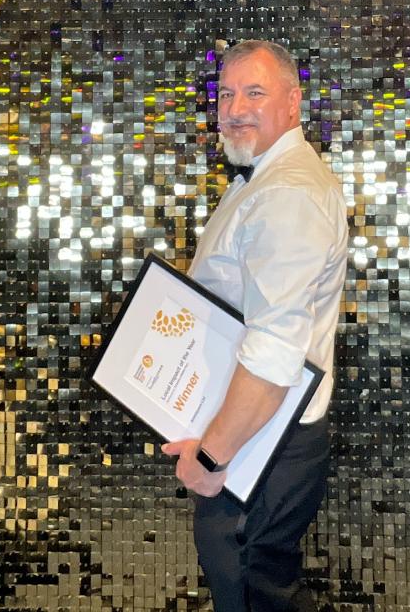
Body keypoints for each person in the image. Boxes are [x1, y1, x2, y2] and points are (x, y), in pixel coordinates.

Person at [162, 39, 348, 612]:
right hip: (257, 436)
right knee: (257, 588)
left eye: (255, 93)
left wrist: (212, 457)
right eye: (227, 94)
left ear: (292, 103)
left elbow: (273, 349)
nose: (235, 108)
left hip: (261, 446)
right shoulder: (267, 177)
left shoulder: (286, 193)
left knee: (252, 591)